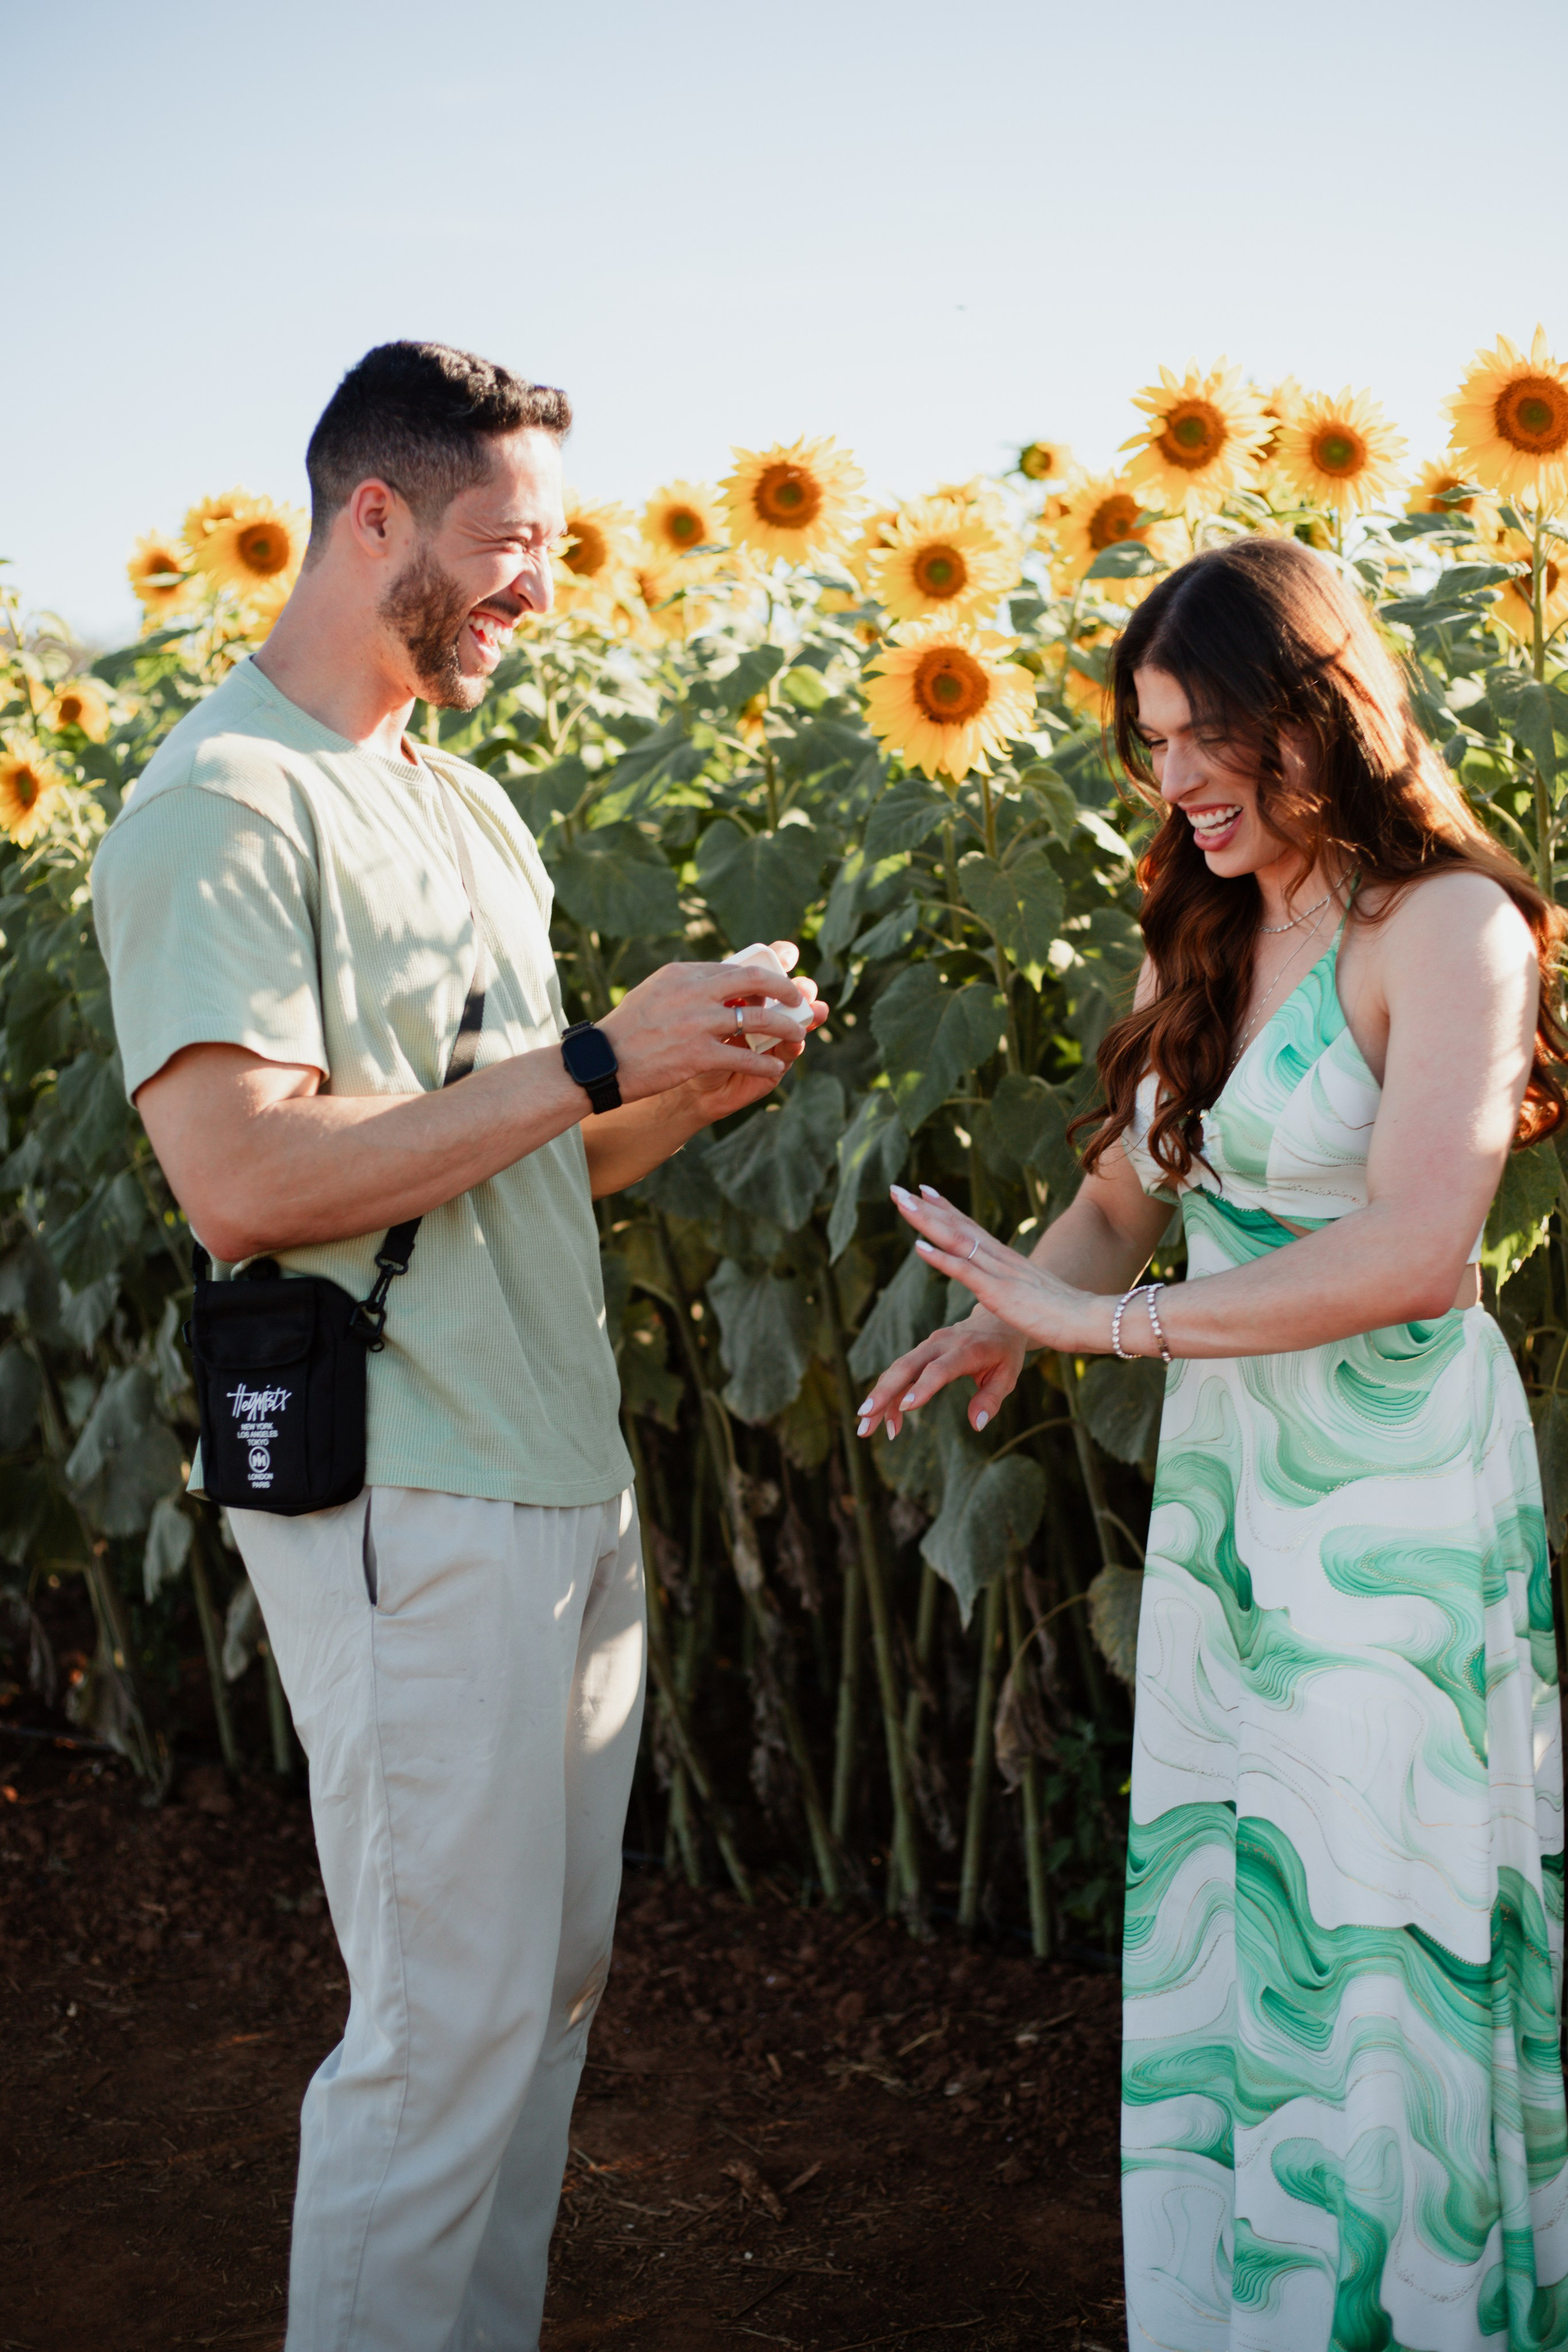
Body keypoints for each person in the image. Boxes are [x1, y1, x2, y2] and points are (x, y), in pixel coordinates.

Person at [91, 339, 825, 2352]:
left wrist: (685, 1085)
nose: (540, 587)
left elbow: (509, 1163)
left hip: (549, 1473)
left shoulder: (465, 801)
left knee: (539, 2002)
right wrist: (597, 1051)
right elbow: (241, 1175)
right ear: (377, 515)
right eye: (514, 547)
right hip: (404, 1488)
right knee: (440, 2037)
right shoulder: (220, 808)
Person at [856, 535, 1568, 2348]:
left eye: (1205, 737)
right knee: (1249, 1900)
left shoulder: (1452, 926)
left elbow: (1419, 1248)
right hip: (1243, 1498)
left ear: (1316, 714)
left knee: (1376, 1918)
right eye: (1151, 742)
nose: (1172, 784)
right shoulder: (1223, 922)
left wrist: (1106, 1327)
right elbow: (1123, 1195)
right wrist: (1009, 1316)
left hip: (1391, 1493)